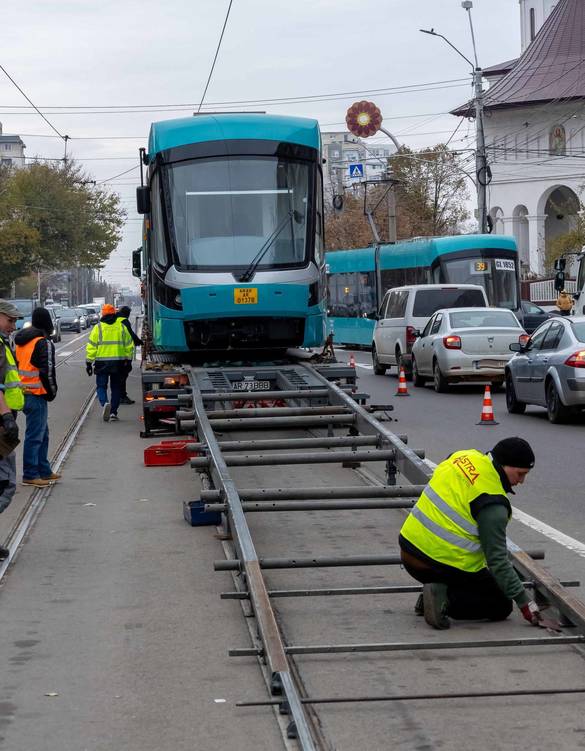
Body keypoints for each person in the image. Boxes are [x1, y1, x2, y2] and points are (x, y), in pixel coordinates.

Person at [399, 437, 541, 630]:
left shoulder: (463, 457)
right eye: (520, 473)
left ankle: (435, 595)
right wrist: (526, 604)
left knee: (489, 582)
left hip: (408, 548)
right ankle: (444, 600)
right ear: (504, 466)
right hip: (438, 562)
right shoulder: (493, 504)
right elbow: (497, 560)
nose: (522, 481)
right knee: (501, 604)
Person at [14, 307, 59, 487]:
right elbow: (47, 371)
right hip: (36, 394)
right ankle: (30, 474)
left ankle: (44, 470)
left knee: (42, 433)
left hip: (21, 392)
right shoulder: (43, 342)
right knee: (35, 435)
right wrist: (52, 392)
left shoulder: (21, 340)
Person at [0, 300, 25, 561]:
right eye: (10, 320)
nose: (13, 326)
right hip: (1, 423)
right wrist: (7, 417)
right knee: (5, 485)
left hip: (5, 418)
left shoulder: (5, 343)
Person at [86, 304, 133, 423]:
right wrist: (128, 360)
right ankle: (113, 412)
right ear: (114, 314)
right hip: (118, 362)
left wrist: (88, 363)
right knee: (116, 387)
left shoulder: (98, 328)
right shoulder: (121, 327)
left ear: (103, 314)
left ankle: (105, 403)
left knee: (101, 386)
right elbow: (129, 345)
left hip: (102, 363)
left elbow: (91, 346)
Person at [116, 305, 142, 405]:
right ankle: (122, 396)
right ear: (127, 314)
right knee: (123, 375)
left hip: (114, 353)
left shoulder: (114, 319)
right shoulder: (124, 321)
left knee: (116, 376)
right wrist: (138, 341)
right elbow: (130, 334)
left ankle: (118, 395)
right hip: (123, 354)